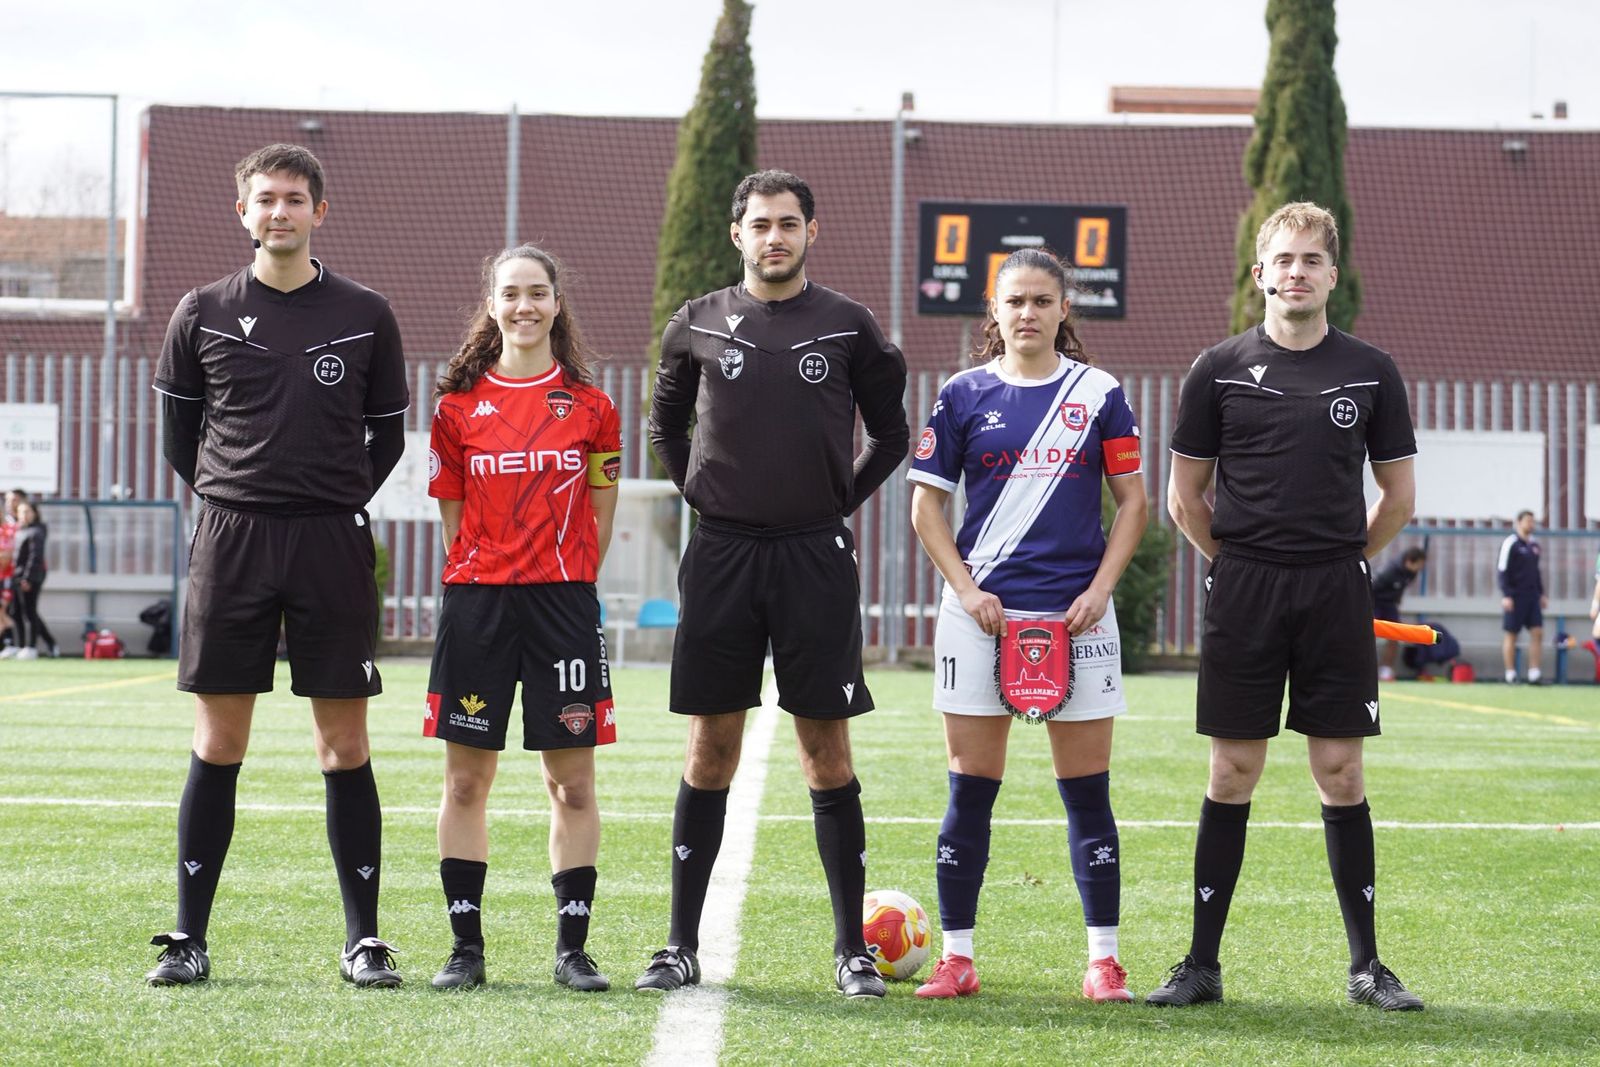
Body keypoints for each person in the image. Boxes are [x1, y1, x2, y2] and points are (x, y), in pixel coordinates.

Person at [146, 143, 410, 987]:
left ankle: (363, 939)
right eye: (265, 199)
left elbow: (390, 435)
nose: (279, 212)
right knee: (220, 739)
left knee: (344, 743)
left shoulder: (367, 311)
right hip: (232, 539)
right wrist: (241, 495)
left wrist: (327, 498)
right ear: (244, 212)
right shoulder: (202, 309)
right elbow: (180, 440)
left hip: (332, 540)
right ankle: (189, 938)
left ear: (318, 211)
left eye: (294, 199)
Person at [641, 169, 910, 998]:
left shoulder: (849, 328)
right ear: (738, 234)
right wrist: (702, 495)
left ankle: (850, 950)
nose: (775, 237)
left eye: (789, 223)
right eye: (760, 224)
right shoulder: (696, 323)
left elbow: (892, 435)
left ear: (810, 232)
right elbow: (664, 427)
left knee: (826, 749)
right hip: (721, 555)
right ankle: (679, 943)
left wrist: (837, 500)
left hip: (813, 558)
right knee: (710, 745)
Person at [1153, 202, 1424, 1011]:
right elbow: (1183, 497)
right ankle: (1200, 965)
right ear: (1260, 273)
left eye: (1313, 259)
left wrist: (1340, 561)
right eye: (1284, 259)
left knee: (1340, 772)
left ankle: (1368, 967)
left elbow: (1398, 498)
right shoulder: (1219, 367)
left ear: (1333, 275)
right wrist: (1236, 565)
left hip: (1336, 585)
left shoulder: (1372, 371)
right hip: (1245, 588)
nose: (1297, 271)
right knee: (1232, 770)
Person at [906, 248, 1148, 1003]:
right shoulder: (961, 394)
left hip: (1076, 623)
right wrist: (967, 588)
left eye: (1043, 301)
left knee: (1087, 794)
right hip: (979, 621)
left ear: (1064, 309)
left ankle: (1103, 961)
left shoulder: (1100, 393)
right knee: (969, 791)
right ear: (995, 311)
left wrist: (1101, 592)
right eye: (1015, 302)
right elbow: (925, 508)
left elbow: (1134, 502)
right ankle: (956, 957)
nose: (1028, 314)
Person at [424, 245, 621, 993]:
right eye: (511, 294)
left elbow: (599, 513)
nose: (524, 307)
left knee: (571, 784)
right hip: (477, 603)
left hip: (563, 605)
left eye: (537, 293)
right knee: (467, 781)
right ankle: (465, 948)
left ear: (556, 302)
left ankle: (572, 949)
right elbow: (451, 519)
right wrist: (492, 569)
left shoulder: (593, 407)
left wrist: (561, 568)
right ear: (494, 305)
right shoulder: (456, 409)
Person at [1497, 510, 1546, 684]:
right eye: (1527, 521)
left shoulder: (1534, 545)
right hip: (1515, 596)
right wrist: (1506, 595)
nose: (1531, 525)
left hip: (1532, 596)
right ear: (1518, 522)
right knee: (1512, 634)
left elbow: (1536, 572)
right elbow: (1502, 571)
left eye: (1533, 521)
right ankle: (1510, 674)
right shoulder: (1511, 543)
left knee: (1537, 632)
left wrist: (1541, 593)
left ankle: (1534, 673)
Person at [8, 500, 57, 658]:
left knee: (29, 611)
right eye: (21, 512)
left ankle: (31, 647)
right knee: (16, 611)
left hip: (29, 577)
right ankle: (19, 644)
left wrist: (27, 578)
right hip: (17, 575)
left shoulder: (36, 532)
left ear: (34, 513)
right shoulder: (21, 530)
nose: (24, 515)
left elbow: (35, 557)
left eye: (27, 512)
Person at [1372, 546, 1426, 680]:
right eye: (1419, 564)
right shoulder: (1389, 571)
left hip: (1390, 605)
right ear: (1409, 561)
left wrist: (1397, 601)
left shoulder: (1411, 573)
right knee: (1367, 636)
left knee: (1395, 636)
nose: (1421, 568)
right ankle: (1365, 669)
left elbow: (1400, 589)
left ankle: (1386, 670)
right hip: (1375, 604)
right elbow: (1370, 588)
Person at [0, 488, 25, 656]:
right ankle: (11, 643)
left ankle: (14, 642)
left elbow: (8, 556)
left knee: (3, 610)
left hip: (8, 577)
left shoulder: (10, 529)